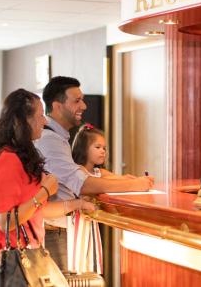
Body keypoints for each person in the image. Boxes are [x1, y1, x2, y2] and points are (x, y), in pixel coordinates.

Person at [35, 76, 154, 271]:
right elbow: (82, 184)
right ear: (57, 106)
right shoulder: (51, 141)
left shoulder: (58, 138)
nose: (84, 105)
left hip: (59, 231)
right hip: (54, 233)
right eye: (76, 100)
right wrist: (136, 185)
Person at [0, 89, 94, 287]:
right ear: (23, 121)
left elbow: (37, 211)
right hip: (10, 258)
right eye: (40, 115)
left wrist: (77, 204)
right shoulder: (7, 159)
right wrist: (45, 192)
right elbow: (6, 222)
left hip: (27, 254)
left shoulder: (21, 157)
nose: (45, 121)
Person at [72, 123, 137, 179]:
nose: (103, 151)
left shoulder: (99, 172)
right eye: (98, 147)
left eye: (104, 148)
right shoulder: (78, 171)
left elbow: (122, 178)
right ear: (83, 148)